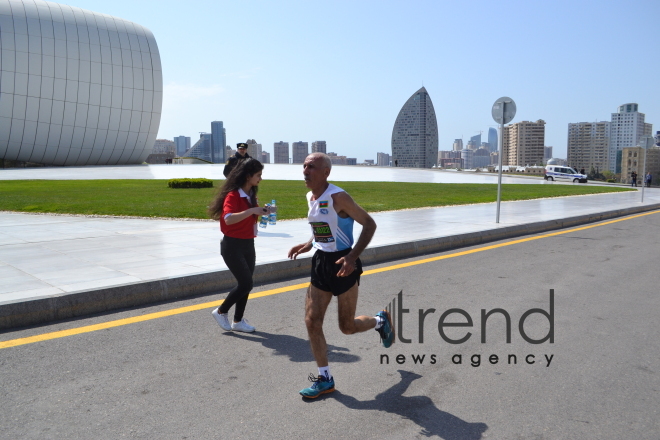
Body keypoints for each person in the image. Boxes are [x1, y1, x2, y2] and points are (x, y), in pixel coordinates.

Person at [288, 152, 394, 399]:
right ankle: (325, 379)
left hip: (344, 262)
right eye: (304, 166)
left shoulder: (339, 197)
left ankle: (380, 322)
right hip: (321, 263)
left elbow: (369, 224)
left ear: (326, 172)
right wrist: (309, 243)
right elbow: (324, 227)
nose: (305, 170)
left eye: (311, 167)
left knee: (347, 327)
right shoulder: (310, 196)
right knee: (312, 321)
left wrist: (352, 257)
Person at [209, 158, 274, 333]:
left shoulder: (250, 195)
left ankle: (238, 321)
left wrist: (263, 211)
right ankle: (221, 311)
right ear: (248, 176)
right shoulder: (233, 195)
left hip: (248, 243)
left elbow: (248, 218)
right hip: (232, 246)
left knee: (247, 283)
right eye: (258, 175)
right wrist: (252, 210)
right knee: (246, 284)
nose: (260, 178)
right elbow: (228, 219)